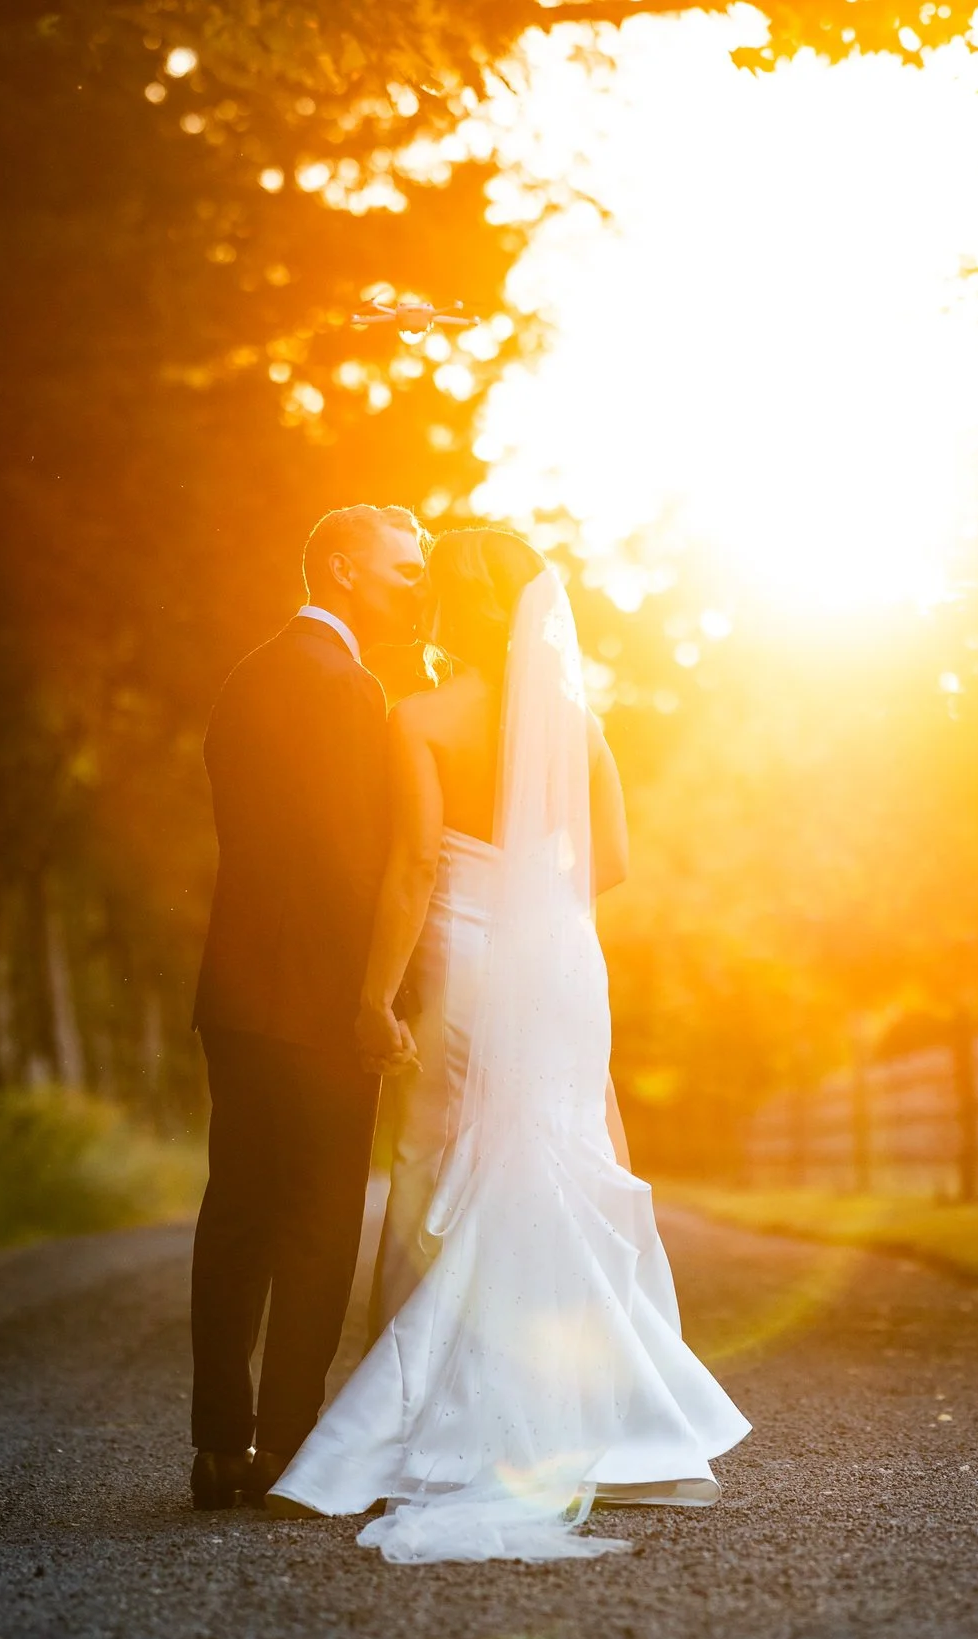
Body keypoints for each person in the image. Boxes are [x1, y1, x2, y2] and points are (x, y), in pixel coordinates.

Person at [266, 527, 748, 1562]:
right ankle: (606, 1419)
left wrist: (374, 994)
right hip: (563, 956)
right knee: (562, 1146)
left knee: (450, 1154)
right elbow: (609, 861)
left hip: (468, 953)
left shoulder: (420, 716)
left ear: (452, 606)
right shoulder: (577, 722)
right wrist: (536, 899)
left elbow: (405, 872)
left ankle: (452, 1409)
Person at [185, 504, 426, 1510]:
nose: (416, 585)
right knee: (320, 1218)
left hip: (237, 989)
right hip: (319, 995)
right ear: (340, 569)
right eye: (402, 569)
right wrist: (373, 996)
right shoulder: (347, 686)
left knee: (236, 1210)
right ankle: (289, 1449)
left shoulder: (249, 672)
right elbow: (347, 860)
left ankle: (217, 1448)